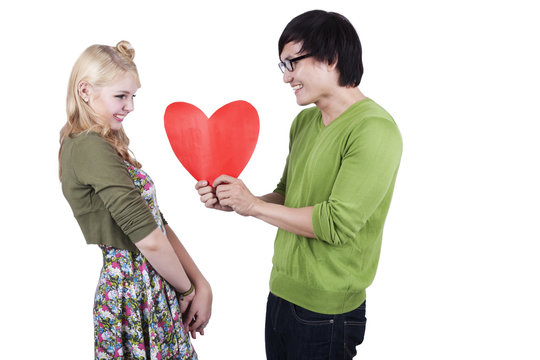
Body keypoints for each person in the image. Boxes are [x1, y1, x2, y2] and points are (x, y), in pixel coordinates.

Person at [195, 10, 402, 359]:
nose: (286, 77)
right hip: (281, 296)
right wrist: (238, 202)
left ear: (331, 58)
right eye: (283, 66)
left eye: (293, 63)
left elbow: (335, 224)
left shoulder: (374, 129)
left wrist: (253, 206)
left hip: (327, 313)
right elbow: (287, 196)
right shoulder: (305, 122)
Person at [59, 41, 211, 359]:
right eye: (121, 96)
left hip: (153, 285)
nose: (130, 106)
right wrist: (186, 289)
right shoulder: (88, 146)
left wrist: (199, 282)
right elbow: (149, 239)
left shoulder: (103, 143)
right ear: (85, 91)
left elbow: (156, 221)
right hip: (133, 293)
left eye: (132, 97)